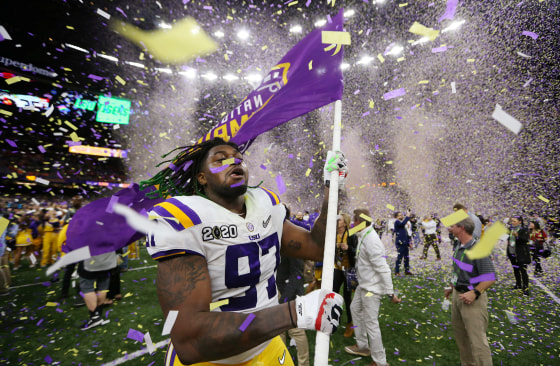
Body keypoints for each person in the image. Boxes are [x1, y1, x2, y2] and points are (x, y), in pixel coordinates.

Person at [140, 138, 345, 365]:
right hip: (212, 361)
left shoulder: (263, 205)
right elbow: (190, 341)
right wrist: (294, 313)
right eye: (221, 160)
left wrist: (331, 191)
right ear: (202, 177)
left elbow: (317, 248)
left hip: (266, 347)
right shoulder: (187, 219)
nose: (234, 162)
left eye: (239, 159)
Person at [344, 208, 401, 366]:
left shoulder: (372, 241)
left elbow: (383, 269)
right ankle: (362, 346)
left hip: (371, 291)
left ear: (360, 222)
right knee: (355, 309)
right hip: (364, 286)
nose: (352, 224)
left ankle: (380, 361)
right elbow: (350, 232)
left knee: (371, 322)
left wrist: (391, 294)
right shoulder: (364, 233)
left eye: (354, 221)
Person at [445, 217, 496, 366]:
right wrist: (451, 285)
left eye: (452, 225)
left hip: (472, 299)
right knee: (462, 338)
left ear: (461, 228)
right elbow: (459, 269)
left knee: (477, 341)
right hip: (458, 295)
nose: (449, 228)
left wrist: (474, 293)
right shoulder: (459, 245)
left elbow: (490, 278)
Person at [277, 205, 310, 366]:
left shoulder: (292, 238)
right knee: (278, 331)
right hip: (277, 290)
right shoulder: (273, 234)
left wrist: (284, 298)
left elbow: (297, 274)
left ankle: (304, 363)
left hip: (289, 293)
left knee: (296, 330)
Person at [78, 251, 118, 330]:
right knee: (103, 286)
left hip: (91, 260)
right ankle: (98, 315)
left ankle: (95, 317)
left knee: (87, 287)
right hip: (108, 260)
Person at [333, 213, 355, 337]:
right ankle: (336, 317)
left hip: (349, 269)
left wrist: (348, 248)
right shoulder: (333, 233)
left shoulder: (350, 235)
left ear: (345, 223)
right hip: (337, 267)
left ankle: (350, 324)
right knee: (333, 293)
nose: (337, 221)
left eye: (339, 220)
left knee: (348, 298)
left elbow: (356, 251)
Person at [507, 216, 531, 294]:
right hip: (512, 252)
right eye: (512, 221)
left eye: (514, 221)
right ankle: (518, 284)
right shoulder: (511, 229)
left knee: (523, 270)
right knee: (516, 269)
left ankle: (526, 288)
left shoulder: (524, 230)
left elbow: (525, 240)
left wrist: (518, 236)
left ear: (520, 222)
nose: (512, 222)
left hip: (521, 254)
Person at [393, 211, 413, 276]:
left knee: (406, 257)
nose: (401, 216)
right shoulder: (397, 222)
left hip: (405, 242)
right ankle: (397, 271)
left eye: (401, 215)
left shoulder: (403, 223)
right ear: (396, 217)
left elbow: (406, 234)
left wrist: (409, 242)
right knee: (400, 257)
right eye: (399, 215)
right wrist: (407, 216)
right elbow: (402, 224)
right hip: (400, 243)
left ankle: (407, 270)